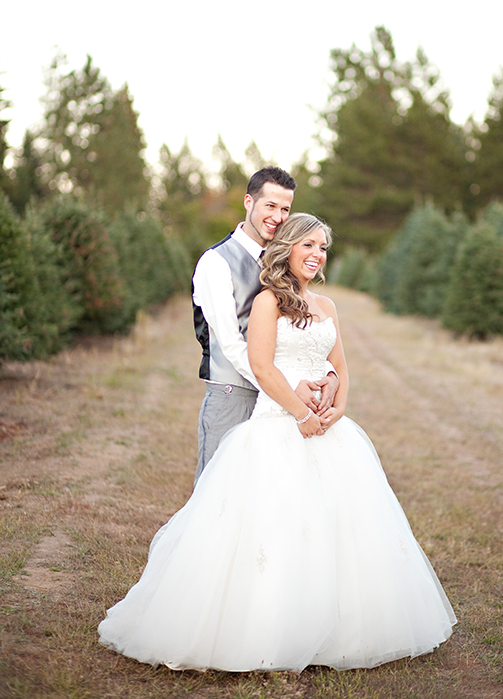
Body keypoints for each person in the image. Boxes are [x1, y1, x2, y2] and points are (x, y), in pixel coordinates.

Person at [98, 213, 456, 672]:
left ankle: (341, 628)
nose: (316, 254)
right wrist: (301, 413)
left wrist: (337, 405)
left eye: (322, 247)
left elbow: (341, 366)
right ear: (287, 249)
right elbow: (262, 367)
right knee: (272, 525)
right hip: (279, 423)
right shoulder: (268, 301)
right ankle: (265, 629)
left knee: (340, 525)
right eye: (308, 245)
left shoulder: (326, 305)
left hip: (327, 427)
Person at [191, 166, 338, 482]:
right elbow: (231, 343)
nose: (278, 216)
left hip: (284, 400)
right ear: (249, 202)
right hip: (234, 394)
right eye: (270, 205)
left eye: (285, 209)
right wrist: (286, 387)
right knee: (219, 488)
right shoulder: (216, 262)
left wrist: (329, 373)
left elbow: (305, 330)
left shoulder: (286, 257)